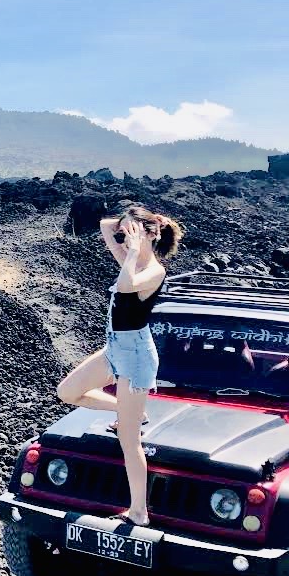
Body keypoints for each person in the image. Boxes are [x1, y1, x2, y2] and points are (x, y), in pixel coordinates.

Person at [56, 206, 184, 525]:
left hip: (137, 357)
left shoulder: (153, 270)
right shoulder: (132, 257)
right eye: (124, 235)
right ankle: (127, 410)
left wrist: (137, 245)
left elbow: (127, 287)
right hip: (115, 347)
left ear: (149, 237)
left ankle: (139, 511)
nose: (124, 240)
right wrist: (133, 226)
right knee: (68, 392)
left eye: (131, 234)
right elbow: (103, 224)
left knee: (129, 440)